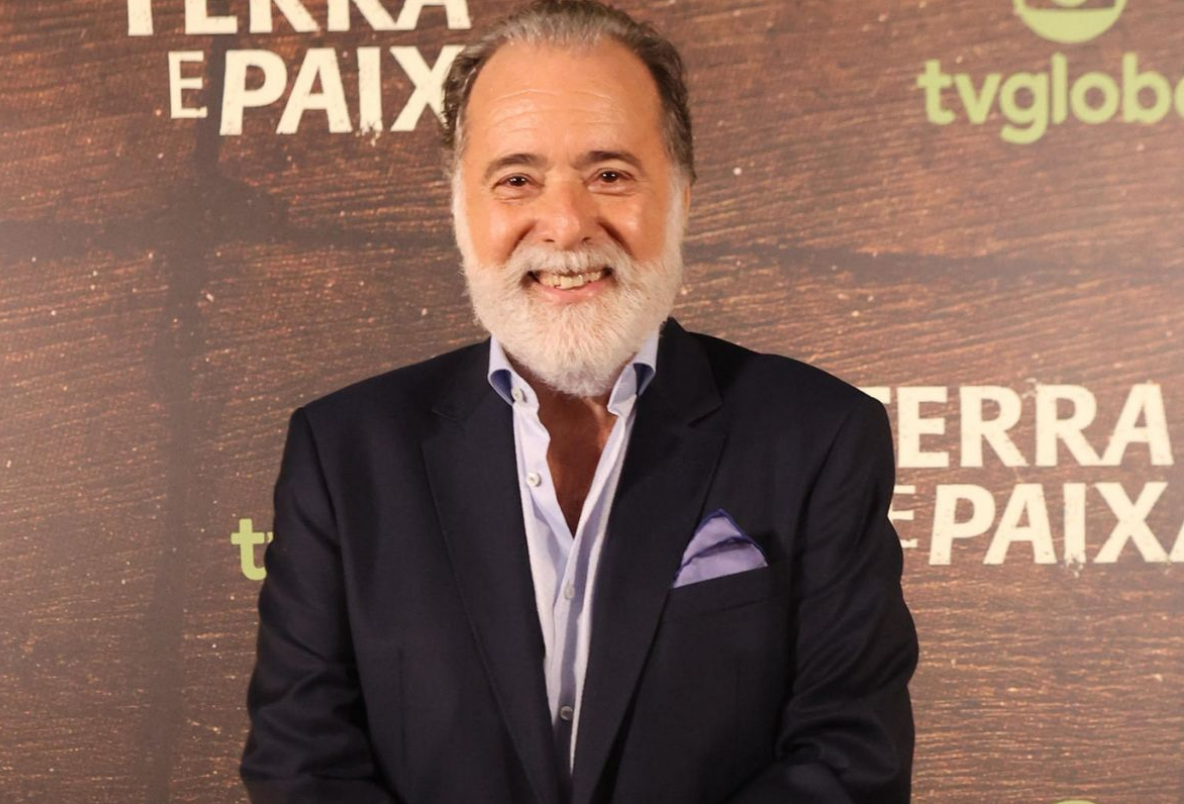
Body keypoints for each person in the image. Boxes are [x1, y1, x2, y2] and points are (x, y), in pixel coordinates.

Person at [239, 2, 918, 803]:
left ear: (683, 195)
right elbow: (301, 768)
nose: (564, 225)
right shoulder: (344, 453)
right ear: (459, 207)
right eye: (517, 180)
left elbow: (847, 762)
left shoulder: (819, 437)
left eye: (610, 175)